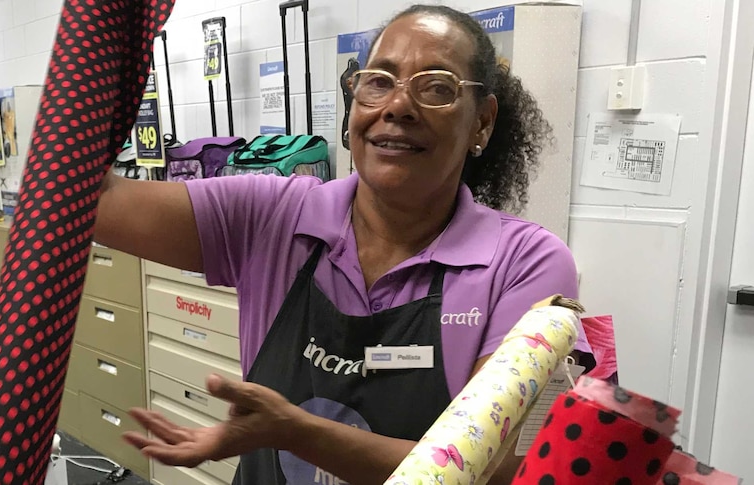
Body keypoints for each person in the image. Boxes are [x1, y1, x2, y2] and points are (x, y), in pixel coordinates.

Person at [93, 4, 593, 484]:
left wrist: (298, 434)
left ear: (481, 121)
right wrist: (102, 37)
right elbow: (88, 202)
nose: (398, 106)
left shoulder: (524, 264)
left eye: (436, 87)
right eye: (378, 81)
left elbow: (495, 468)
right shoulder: (271, 217)